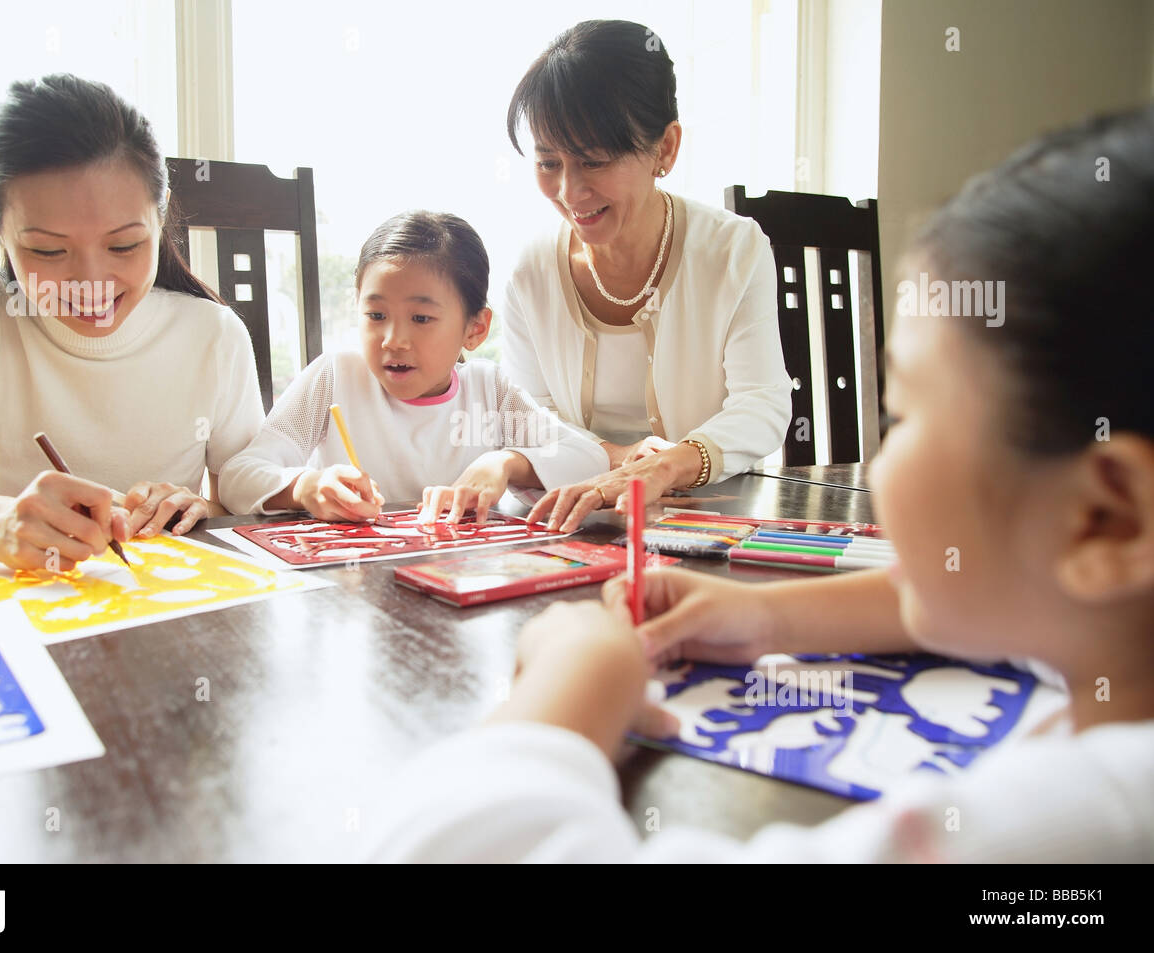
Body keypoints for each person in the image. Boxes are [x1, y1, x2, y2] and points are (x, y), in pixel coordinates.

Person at [365, 105, 1154, 862]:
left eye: (905, 414)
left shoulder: (1083, 826)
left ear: (1108, 517)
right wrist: (766, 615)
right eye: (549, 162)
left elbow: (459, 848)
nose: (879, 462)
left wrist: (578, 677)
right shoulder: (1112, 638)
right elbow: (989, 592)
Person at [0, 74, 263, 568]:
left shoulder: (213, 336)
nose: (89, 281)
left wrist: (196, 508)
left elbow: (239, 505)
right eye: (48, 250)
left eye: (123, 245)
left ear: (160, 217)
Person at [501, 20, 792, 532]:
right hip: (569, 523)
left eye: (594, 161)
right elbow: (528, 416)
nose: (570, 191)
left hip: (711, 520)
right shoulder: (530, 273)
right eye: (549, 162)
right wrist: (615, 457)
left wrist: (664, 467)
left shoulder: (733, 250)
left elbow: (763, 402)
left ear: (665, 149)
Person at [218, 211, 607, 522]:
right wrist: (306, 488)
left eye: (421, 319)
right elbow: (237, 478)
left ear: (475, 328)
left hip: (452, 588)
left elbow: (590, 458)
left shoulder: (489, 391)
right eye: (375, 315)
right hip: (351, 593)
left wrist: (504, 463)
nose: (393, 340)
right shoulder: (336, 377)